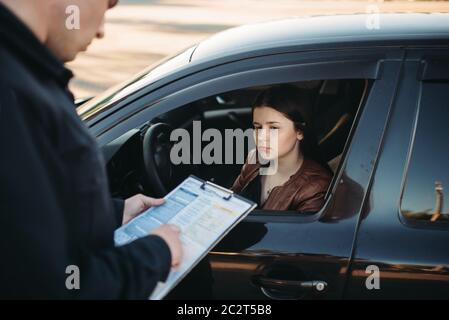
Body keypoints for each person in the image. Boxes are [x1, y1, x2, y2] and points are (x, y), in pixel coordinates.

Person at [0, 0, 182, 299]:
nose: (100, 31)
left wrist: (116, 212)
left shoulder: (26, 74)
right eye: (109, 3)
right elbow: (49, 287)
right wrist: (155, 254)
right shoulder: (13, 90)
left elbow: (36, 214)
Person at [231, 84, 332, 212]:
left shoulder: (315, 188)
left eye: (273, 128)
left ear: (300, 132)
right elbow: (230, 202)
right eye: (258, 127)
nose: (261, 137)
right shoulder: (254, 158)